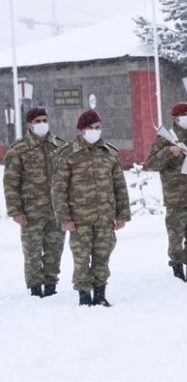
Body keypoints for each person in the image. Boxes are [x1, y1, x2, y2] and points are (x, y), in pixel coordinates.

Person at [52, 109, 130, 306]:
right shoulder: (68, 154)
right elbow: (58, 189)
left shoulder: (109, 153)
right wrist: (64, 218)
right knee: (81, 258)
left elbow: (119, 186)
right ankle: (84, 296)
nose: (95, 131)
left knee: (102, 256)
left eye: (98, 127)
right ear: (81, 130)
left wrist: (122, 214)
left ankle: (100, 294)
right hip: (79, 219)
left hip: (105, 216)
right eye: (91, 128)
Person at [3, 107, 66, 298]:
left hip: (56, 210)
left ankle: (51, 285)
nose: (42, 124)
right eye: (37, 121)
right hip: (31, 212)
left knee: (54, 250)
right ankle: (35, 288)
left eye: (44, 120)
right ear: (29, 124)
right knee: (32, 252)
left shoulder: (59, 146)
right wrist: (15, 210)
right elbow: (11, 183)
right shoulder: (19, 149)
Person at [145, 102, 187, 282]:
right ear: (174, 118)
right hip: (176, 197)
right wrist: (168, 152)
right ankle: (177, 270)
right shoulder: (165, 139)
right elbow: (150, 164)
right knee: (176, 237)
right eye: (183, 114)